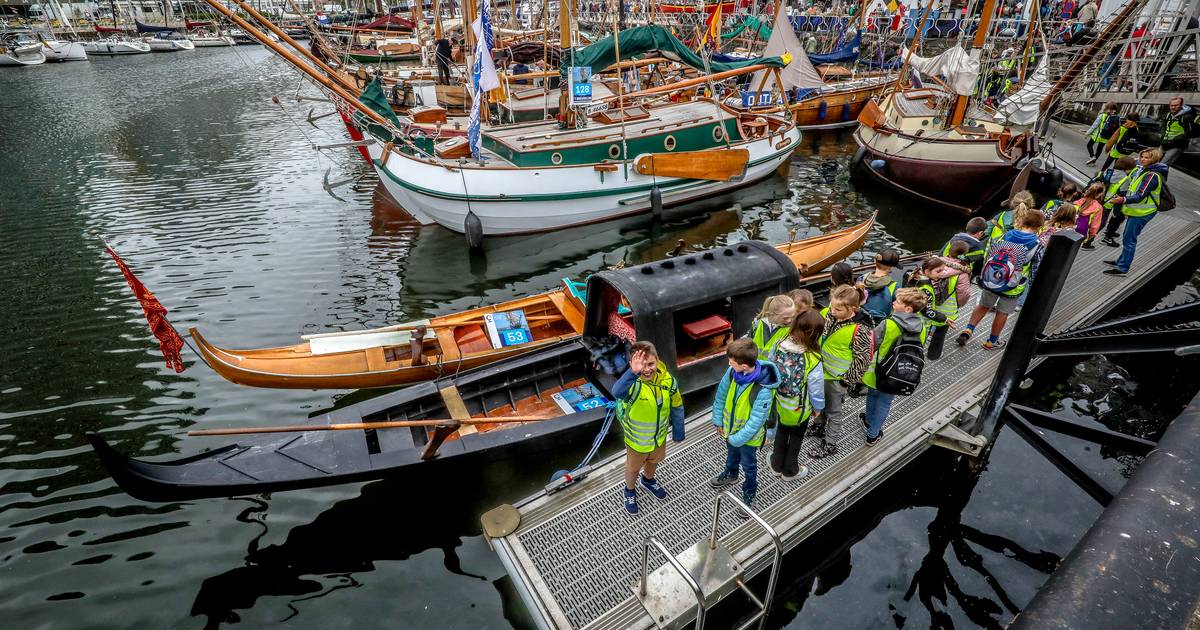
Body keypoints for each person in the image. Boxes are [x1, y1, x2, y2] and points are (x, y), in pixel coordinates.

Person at [709, 339, 781, 512]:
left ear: (744, 366)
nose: (728, 363)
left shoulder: (763, 390)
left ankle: (749, 491)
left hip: (747, 439)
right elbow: (721, 395)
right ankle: (731, 474)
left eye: (731, 361)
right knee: (732, 455)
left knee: (749, 465)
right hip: (730, 431)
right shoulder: (731, 373)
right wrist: (718, 420)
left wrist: (737, 438)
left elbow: (756, 421)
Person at [957, 212, 1045, 350]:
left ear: (1022, 221)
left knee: (983, 305)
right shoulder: (1036, 244)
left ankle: (968, 330)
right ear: (1040, 226)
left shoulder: (1005, 235)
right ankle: (991, 342)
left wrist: (985, 275)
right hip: (1013, 285)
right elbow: (1035, 269)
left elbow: (989, 253)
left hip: (992, 278)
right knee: (1002, 312)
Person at [614, 341, 684, 514]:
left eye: (651, 364)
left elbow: (677, 405)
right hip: (636, 442)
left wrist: (678, 431)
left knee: (654, 462)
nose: (647, 369)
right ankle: (629, 490)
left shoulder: (668, 381)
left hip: (658, 438)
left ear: (658, 360)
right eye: (641, 365)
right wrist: (632, 373)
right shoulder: (632, 384)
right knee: (633, 468)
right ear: (632, 364)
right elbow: (617, 392)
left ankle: (648, 480)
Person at [860, 288, 928, 445]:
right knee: (885, 402)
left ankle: (869, 421)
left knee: (872, 394)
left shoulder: (888, 324)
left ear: (907, 308)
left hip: (877, 372)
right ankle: (873, 434)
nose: (893, 302)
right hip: (899, 374)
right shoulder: (922, 327)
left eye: (897, 302)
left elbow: (872, 345)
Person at [811, 285, 874, 457]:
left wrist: (846, 381)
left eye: (838, 309)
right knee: (819, 402)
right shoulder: (828, 314)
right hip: (820, 372)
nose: (833, 311)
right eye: (832, 306)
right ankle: (819, 425)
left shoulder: (860, 330)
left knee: (834, 411)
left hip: (837, 378)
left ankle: (830, 444)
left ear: (853, 308)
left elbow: (862, 359)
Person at [768, 310, 825, 480]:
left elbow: (771, 367)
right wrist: (818, 409)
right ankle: (790, 470)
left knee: (782, 431)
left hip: (780, 401)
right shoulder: (813, 358)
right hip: (799, 408)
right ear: (815, 335)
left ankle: (776, 465)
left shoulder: (779, 344)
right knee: (796, 437)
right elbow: (816, 389)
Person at [1104, 148, 1169, 277]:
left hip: (1142, 212)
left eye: (1147, 157)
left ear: (1154, 159)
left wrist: (1122, 200)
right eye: (1142, 157)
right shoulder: (1142, 170)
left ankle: (1122, 268)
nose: (1143, 159)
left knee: (1129, 239)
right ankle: (1121, 261)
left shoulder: (1151, 176)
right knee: (1128, 237)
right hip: (1136, 210)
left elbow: (1140, 195)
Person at [908, 258, 954, 360]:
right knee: (915, 348)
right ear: (927, 271)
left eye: (943, 270)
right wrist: (944, 318)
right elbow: (927, 311)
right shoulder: (926, 289)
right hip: (919, 325)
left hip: (909, 321)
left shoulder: (915, 279)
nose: (942, 273)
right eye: (938, 271)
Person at [1097, 155, 1138, 247]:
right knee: (1101, 223)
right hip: (1108, 204)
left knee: (1095, 220)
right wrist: (1116, 212)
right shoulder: (1125, 179)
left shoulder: (1107, 171)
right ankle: (1089, 241)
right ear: (1128, 168)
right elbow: (1120, 196)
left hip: (1098, 201)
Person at [859, 249, 901, 324]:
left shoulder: (861, 278)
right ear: (891, 268)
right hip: (879, 326)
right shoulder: (895, 286)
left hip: (860, 322)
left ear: (876, 262)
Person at [1158, 97, 1196, 167]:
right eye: (1171, 105)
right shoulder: (1168, 115)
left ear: (1181, 105)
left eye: (1176, 105)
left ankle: (1157, 177)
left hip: (1177, 145)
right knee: (1153, 161)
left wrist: (1176, 139)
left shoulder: (1187, 117)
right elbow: (1163, 127)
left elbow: (1191, 132)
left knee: (1162, 165)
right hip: (1164, 142)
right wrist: (1162, 137)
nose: (1173, 107)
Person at [940, 240, 974, 308]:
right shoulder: (964, 272)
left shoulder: (936, 262)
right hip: (949, 306)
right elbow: (964, 294)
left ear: (949, 250)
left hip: (929, 301)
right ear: (964, 255)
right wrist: (958, 304)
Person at [1076, 182, 1107, 248]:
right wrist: (1092, 235)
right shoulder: (1098, 208)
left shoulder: (1079, 201)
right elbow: (1095, 225)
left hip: (1070, 228)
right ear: (1100, 194)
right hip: (1082, 233)